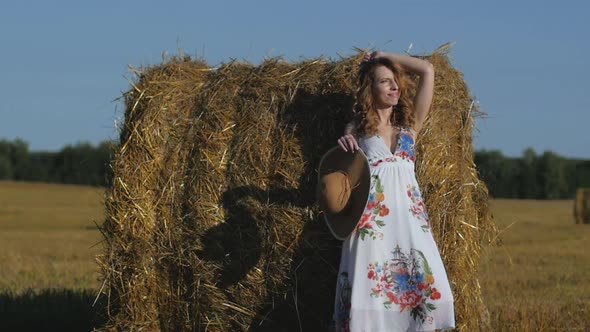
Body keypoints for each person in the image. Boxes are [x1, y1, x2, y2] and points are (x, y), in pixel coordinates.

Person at [331, 51, 455, 331]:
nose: (394, 87)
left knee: (429, 292)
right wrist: (343, 143)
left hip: (411, 224)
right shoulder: (357, 131)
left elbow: (427, 70)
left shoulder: (411, 129)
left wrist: (384, 55)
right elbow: (345, 172)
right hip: (371, 226)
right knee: (371, 301)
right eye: (385, 82)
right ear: (369, 88)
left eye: (396, 81)